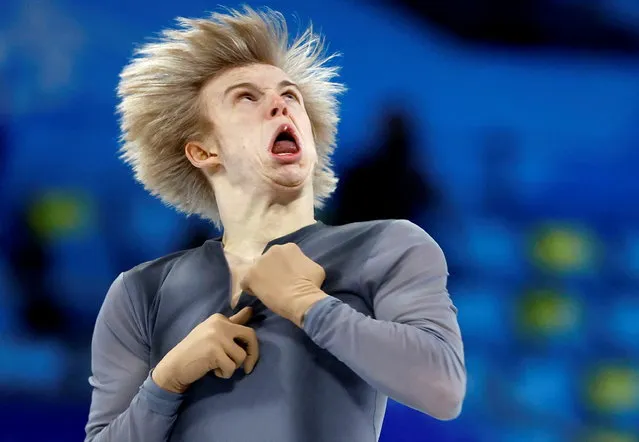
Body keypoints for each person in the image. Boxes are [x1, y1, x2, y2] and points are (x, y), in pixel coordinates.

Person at [84, 7, 466, 442]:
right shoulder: (140, 291)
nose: (280, 104)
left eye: (291, 96)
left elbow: (444, 389)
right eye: (247, 97)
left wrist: (309, 304)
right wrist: (166, 380)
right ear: (203, 151)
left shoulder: (387, 246)